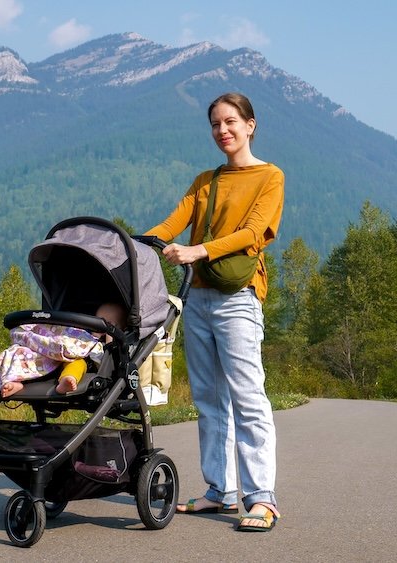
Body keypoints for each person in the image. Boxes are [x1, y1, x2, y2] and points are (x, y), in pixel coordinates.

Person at [144, 92, 284, 532]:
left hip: (238, 298)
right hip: (198, 300)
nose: (222, 131)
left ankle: (261, 498)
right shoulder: (206, 180)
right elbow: (171, 224)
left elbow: (251, 233)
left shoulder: (270, 177)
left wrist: (197, 250)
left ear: (250, 125)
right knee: (208, 399)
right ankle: (219, 492)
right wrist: (133, 245)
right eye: (215, 124)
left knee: (247, 396)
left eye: (230, 122)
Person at [0, 302, 126, 397]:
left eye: (109, 324)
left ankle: (68, 379)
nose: (99, 328)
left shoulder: (105, 345)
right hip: (53, 358)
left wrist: (110, 336)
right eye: (99, 321)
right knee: (28, 358)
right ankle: (15, 381)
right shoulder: (83, 335)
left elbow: (105, 355)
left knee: (77, 364)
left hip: (78, 361)